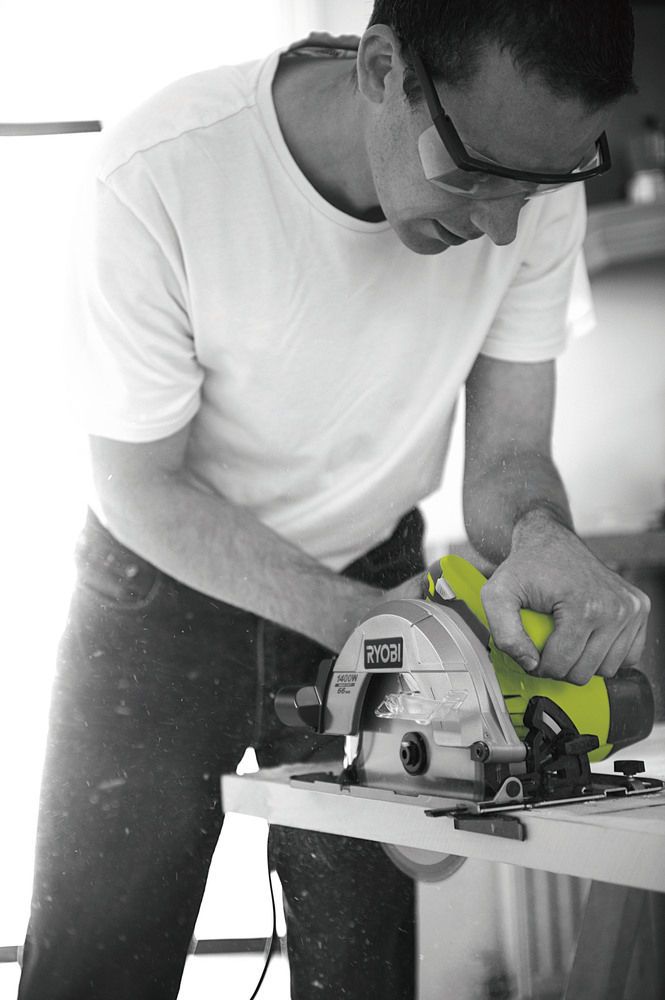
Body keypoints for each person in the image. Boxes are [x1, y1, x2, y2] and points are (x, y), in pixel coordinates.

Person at [18, 2, 650, 998]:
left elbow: (508, 456)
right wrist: (377, 631)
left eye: (533, 186)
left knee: (359, 976)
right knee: (99, 964)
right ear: (381, 69)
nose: (497, 224)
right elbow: (137, 487)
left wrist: (538, 533)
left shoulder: (530, 183)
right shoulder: (160, 174)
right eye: (473, 172)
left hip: (374, 563)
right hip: (159, 594)